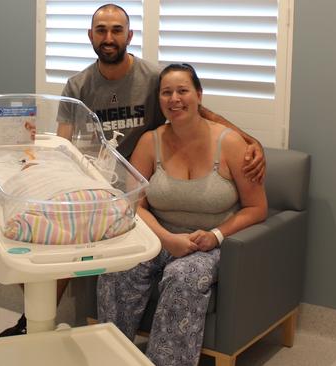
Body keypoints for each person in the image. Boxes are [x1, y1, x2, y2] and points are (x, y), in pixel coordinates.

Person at [0, 3, 266, 337]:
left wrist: (250, 140)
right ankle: (36, 320)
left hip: (139, 185)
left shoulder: (153, 79)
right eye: (101, 30)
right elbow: (63, 146)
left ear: (129, 35)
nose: (108, 38)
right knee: (48, 235)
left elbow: (198, 110)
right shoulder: (78, 86)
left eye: (116, 30)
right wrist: (37, 166)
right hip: (95, 185)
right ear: (90, 36)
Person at [97, 63, 268, 366]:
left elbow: (257, 208)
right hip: (157, 236)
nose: (174, 99)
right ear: (159, 100)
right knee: (118, 267)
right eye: (166, 93)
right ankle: (110, 357)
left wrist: (216, 236)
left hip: (210, 243)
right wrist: (166, 239)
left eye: (182, 91)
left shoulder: (230, 144)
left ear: (199, 95)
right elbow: (134, 205)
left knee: (181, 277)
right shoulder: (151, 142)